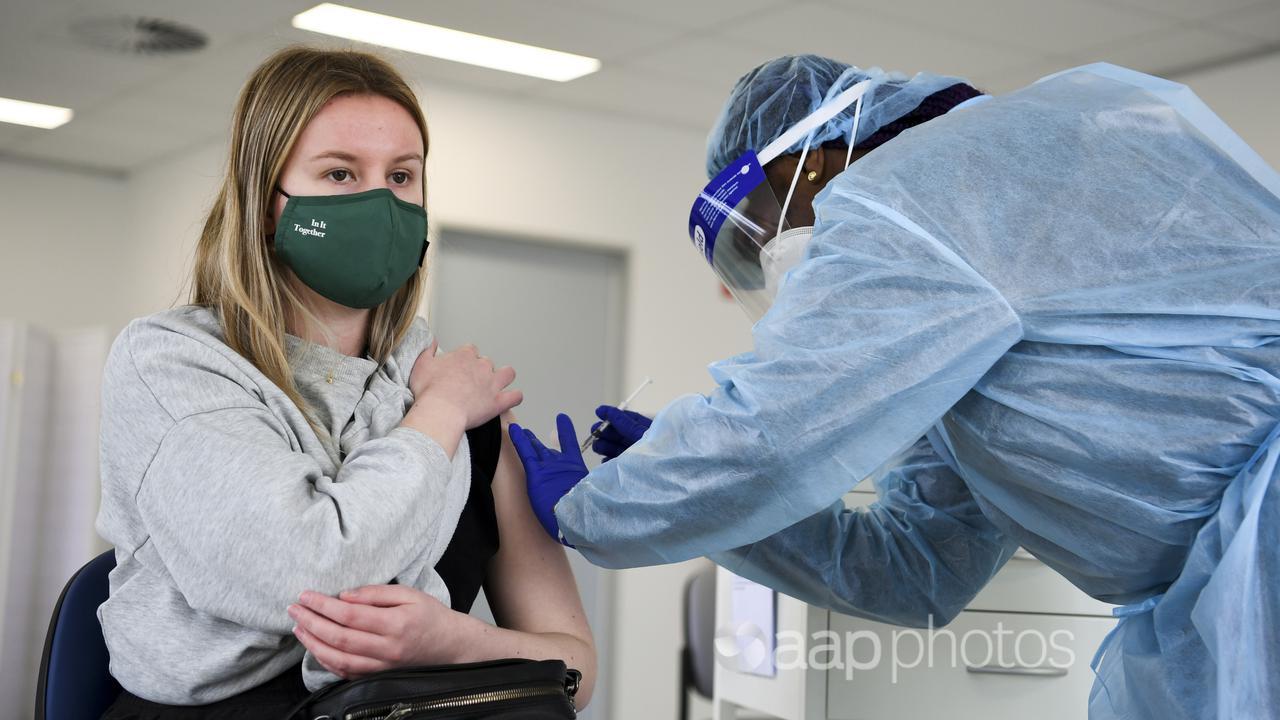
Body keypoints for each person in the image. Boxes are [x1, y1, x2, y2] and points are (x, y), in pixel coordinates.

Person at [508, 55, 1280, 719]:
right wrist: (719, 510)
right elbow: (923, 564)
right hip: (1219, 585)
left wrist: (598, 507)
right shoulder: (956, 304)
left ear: (804, 162)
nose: (774, 256)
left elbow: (771, 443)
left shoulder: (919, 192)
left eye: (761, 226)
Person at [96, 46, 594, 718]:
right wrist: (438, 413)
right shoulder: (174, 366)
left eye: (401, 176)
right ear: (267, 202)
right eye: (339, 174)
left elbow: (576, 672)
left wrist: (456, 641)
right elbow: (307, 573)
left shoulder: (462, 402)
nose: (379, 204)